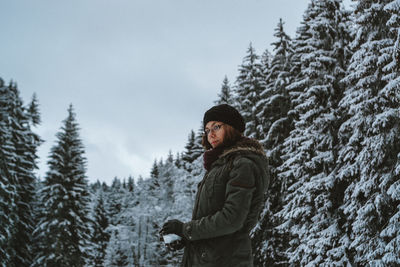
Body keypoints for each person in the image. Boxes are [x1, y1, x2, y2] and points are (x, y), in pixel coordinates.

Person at [160, 104, 270, 267]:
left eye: (216, 127)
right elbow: (212, 221)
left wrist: (186, 230)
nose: (210, 134)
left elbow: (232, 219)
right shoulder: (219, 166)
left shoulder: (242, 164)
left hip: (227, 260)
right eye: (207, 130)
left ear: (232, 128)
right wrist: (186, 238)